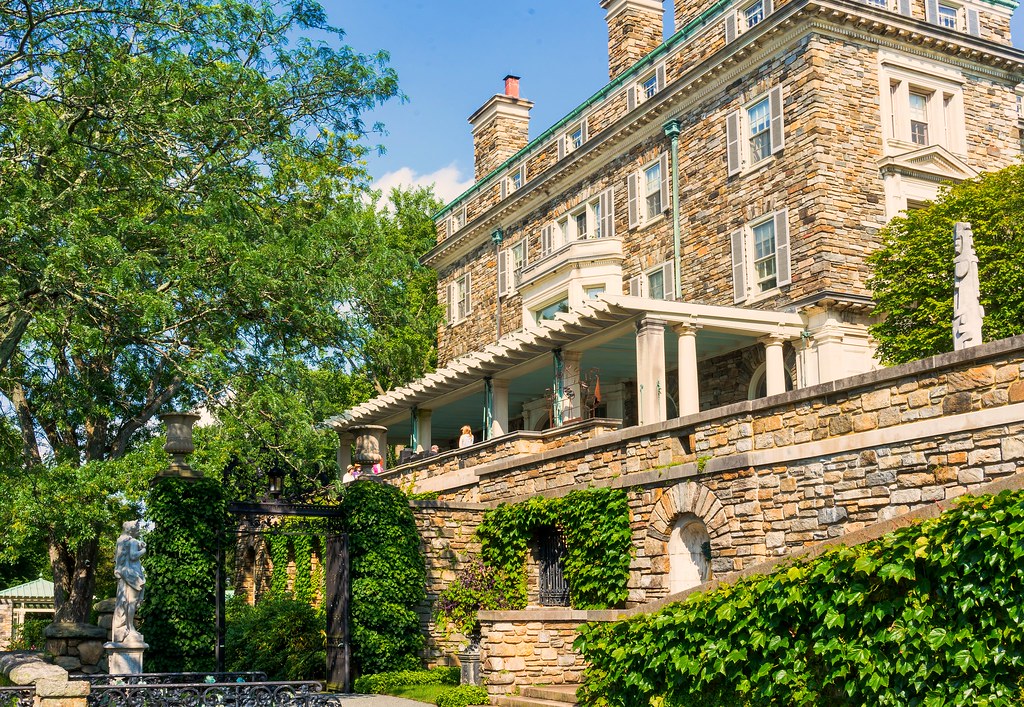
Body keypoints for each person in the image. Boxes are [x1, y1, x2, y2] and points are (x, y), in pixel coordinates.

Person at [112, 520, 146, 644]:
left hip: (128, 573)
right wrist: (144, 550)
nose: (139, 530)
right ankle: (130, 627)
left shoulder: (124, 540)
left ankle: (128, 627)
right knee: (132, 601)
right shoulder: (132, 541)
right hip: (133, 574)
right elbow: (133, 556)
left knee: (127, 601)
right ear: (132, 529)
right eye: (137, 528)